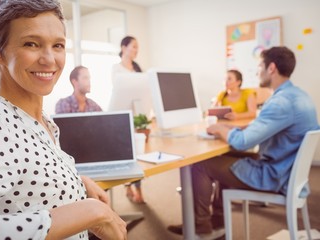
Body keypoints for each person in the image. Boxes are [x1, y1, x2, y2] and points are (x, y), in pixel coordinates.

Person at [0, 1, 127, 240]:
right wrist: (92, 211)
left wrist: (77, 183)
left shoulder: (43, 122)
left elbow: (26, 179)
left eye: (58, 45)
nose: (49, 59)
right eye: (31, 44)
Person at [168, 46, 319, 239]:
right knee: (222, 157)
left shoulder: (280, 103)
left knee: (199, 164)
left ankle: (201, 226)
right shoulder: (300, 96)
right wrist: (235, 129)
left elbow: (242, 143)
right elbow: (263, 129)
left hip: (274, 175)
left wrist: (220, 129)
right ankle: (217, 222)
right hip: (287, 169)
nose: (258, 72)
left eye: (260, 66)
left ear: (271, 68)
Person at [112, 36, 145, 204]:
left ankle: (139, 188)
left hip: (137, 116)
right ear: (123, 47)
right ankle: (128, 186)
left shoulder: (137, 69)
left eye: (137, 47)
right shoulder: (116, 69)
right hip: (122, 116)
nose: (136, 50)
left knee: (138, 154)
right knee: (128, 154)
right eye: (133, 46)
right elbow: (118, 93)